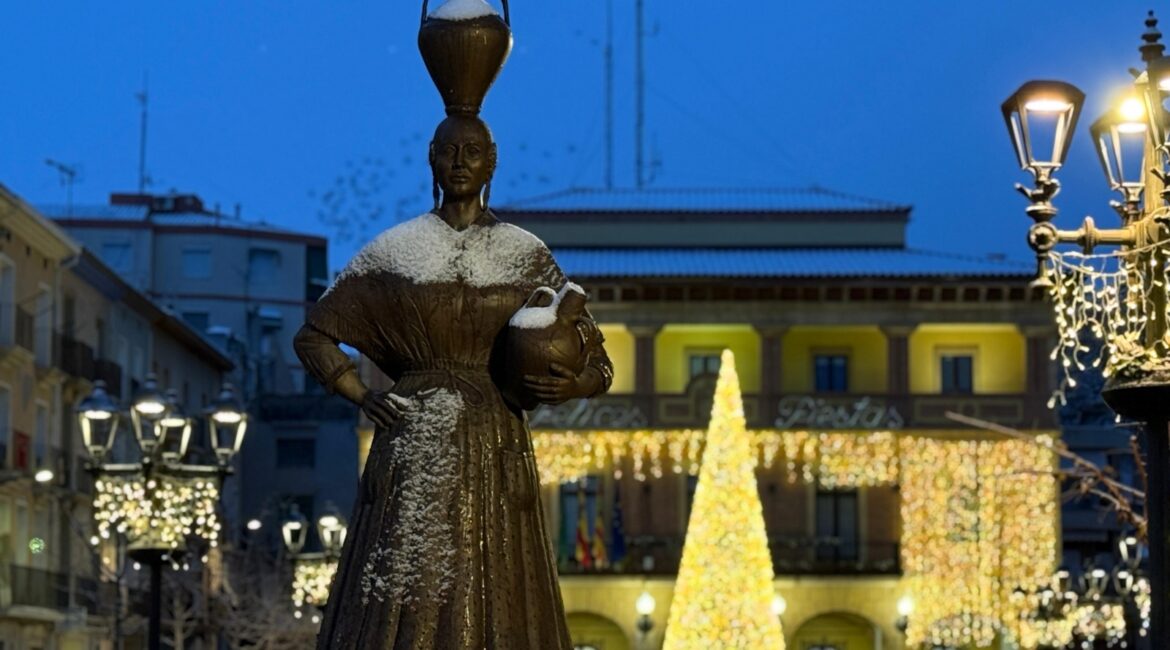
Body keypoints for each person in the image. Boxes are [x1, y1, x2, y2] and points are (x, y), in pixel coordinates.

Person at [293, 113, 613, 649]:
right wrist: (361, 394)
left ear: (492, 162)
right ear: (432, 160)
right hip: (415, 437)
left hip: (495, 440)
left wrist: (572, 386)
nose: (460, 161)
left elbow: (598, 364)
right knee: (410, 586)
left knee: (499, 583)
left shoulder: (525, 253)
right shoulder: (394, 252)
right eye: (448, 151)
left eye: (472, 151)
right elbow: (314, 337)